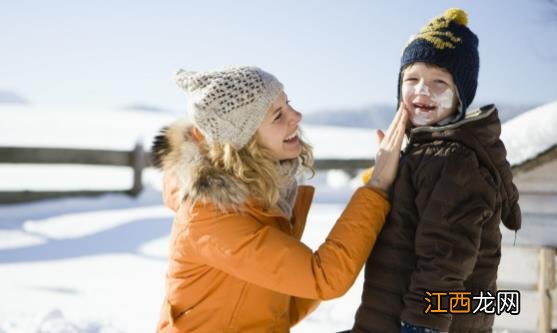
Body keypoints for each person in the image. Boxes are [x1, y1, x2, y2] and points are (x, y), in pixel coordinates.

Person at [151, 65, 408, 332]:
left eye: (289, 104)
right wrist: (377, 186)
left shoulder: (262, 195)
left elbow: (283, 305)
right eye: (278, 115)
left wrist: (375, 185)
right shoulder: (212, 220)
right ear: (243, 141)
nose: (297, 116)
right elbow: (324, 277)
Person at [350, 8, 521, 333]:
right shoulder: (424, 151)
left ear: (460, 97)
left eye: (438, 81)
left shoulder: (452, 160)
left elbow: (447, 255)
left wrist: (421, 326)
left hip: (427, 322)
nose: (422, 90)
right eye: (411, 79)